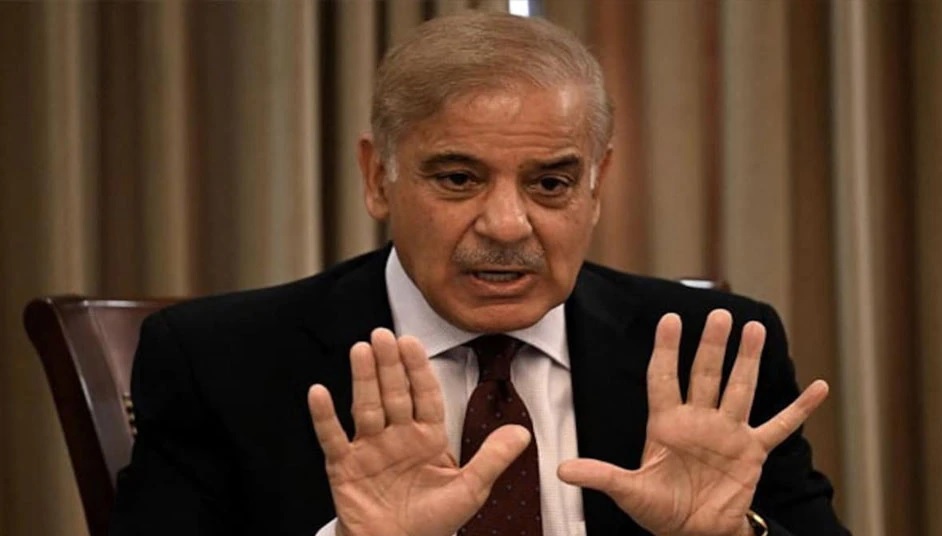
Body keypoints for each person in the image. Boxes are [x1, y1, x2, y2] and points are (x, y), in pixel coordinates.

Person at [110, 11, 849, 536]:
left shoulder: (710, 354)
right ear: (377, 178)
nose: (506, 225)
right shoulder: (221, 360)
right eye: (458, 179)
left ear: (597, 185)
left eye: (551, 183)